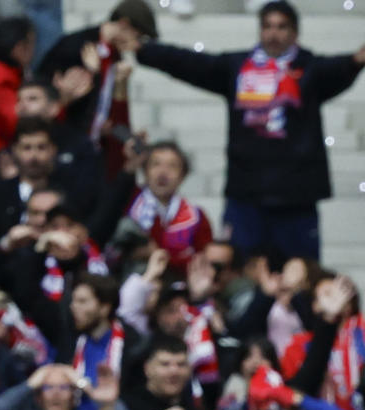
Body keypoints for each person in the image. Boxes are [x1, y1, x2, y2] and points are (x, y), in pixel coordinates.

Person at [133, 1, 365, 264]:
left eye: (281, 27)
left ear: (295, 32)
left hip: (296, 200)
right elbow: (191, 63)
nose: (273, 34)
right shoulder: (236, 68)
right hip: (246, 198)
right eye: (267, 26)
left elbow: (343, 66)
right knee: (238, 274)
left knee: (301, 276)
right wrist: (145, 50)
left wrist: (357, 61)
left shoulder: (310, 70)